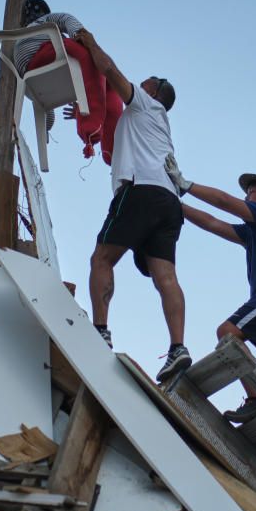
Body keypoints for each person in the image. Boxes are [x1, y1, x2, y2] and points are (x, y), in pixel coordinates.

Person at [165, 155, 256, 477]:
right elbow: (213, 223)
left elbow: (223, 202)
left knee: (228, 332)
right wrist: (174, 203)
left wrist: (186, 185)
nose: (248, 193)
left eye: (253, 189)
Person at [73, 28, 191, 383]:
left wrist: (88, 40)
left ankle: (101, 330)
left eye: (147, 81)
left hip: (140, 191)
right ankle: (178, 348)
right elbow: (109, 116)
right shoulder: (154, 124)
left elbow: (108, 69)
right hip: (169, 201)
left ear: (153, 90)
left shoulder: (144, 102)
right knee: (165, 276)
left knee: (102, 258)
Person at [13, 0, 123, 162]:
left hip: (28, 76)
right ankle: (93, 130)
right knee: (92, 57)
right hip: (41, 53)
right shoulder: (44, 21)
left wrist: (46, 127)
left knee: (105, 85)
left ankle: (48, 136)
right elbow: (66, 19)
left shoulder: (19, 38)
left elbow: (44, 106)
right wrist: (80, 35)